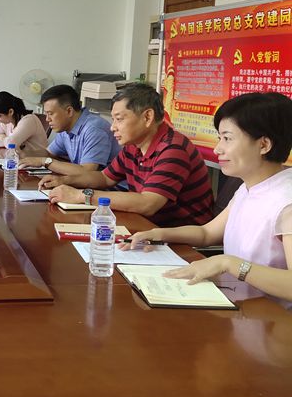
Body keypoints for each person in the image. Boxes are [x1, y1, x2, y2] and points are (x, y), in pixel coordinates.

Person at [125, 92, 292, 304]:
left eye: (227, 139)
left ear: (264, 145)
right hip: (235, 304)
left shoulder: (286, 201)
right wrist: (158, 233)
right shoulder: (248, 187)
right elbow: (207, 233)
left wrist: (228, 263)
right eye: (219, 138)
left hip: (272, 318)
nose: (217, 149)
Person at [41, 83, 213, 227]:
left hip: (181, 242)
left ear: (147, 117)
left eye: (119, 119)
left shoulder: (173, 149)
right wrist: (64, 181)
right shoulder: (133, 146)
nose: (112, 127)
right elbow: (105, 178)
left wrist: (80, 196)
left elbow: (148, 203)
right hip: (146, 227)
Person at [20, 84, 120, 175]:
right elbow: (49, 153)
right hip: (86, 184)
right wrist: (22, 153)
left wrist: (44, 161)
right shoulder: (65, 128)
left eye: (50, 114)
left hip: (112, 187)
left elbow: (87, 172)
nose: (47, 119)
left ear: (69, 111)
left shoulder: (94, 129)